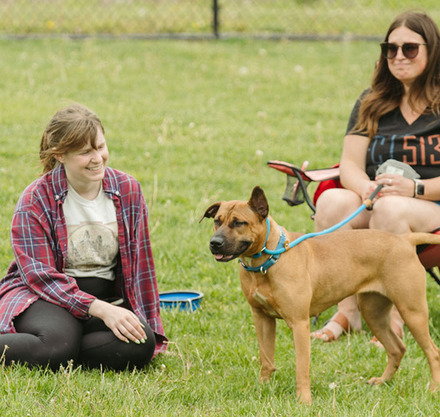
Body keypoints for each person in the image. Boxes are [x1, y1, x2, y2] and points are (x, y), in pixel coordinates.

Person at [0, 104, 167, 370]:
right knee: (56, 345)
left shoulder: (128, 190)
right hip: (45, 296)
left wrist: (145, 321)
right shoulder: (35, 200)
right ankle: (57, 346)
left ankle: (63, 348)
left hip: (100, 300)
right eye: (85, 152)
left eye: (100, 147)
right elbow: (40, 276)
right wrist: (100, 309)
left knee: (141, 342)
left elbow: (141, 267)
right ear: (61, 155)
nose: (97, 158)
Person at [311, 10, 440, 345]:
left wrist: (415, 188)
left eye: (410, 48)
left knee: (391, 210)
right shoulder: (372, 101)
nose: (398, 56)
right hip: (377, 197)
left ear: (432, 50)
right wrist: (365, 186)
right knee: (331, 201)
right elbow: (350, 164)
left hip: (431, 206)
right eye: (390, 49)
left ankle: (396, 318)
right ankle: (348, 313)